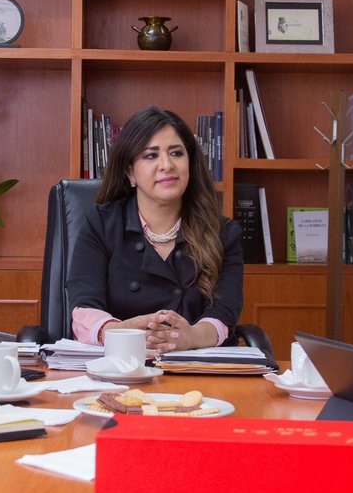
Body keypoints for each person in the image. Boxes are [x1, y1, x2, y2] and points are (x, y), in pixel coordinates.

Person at [68, 106, 244, 353]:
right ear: (130, 172)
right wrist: (124, 332)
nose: (166, 165)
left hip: (194, 365)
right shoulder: (100, 224)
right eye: (151, 155)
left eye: (176, 153)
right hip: (118, 365)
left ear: (190, 164)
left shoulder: (223, 232)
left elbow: (224, 314)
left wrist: (191, 336)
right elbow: (84, 309)